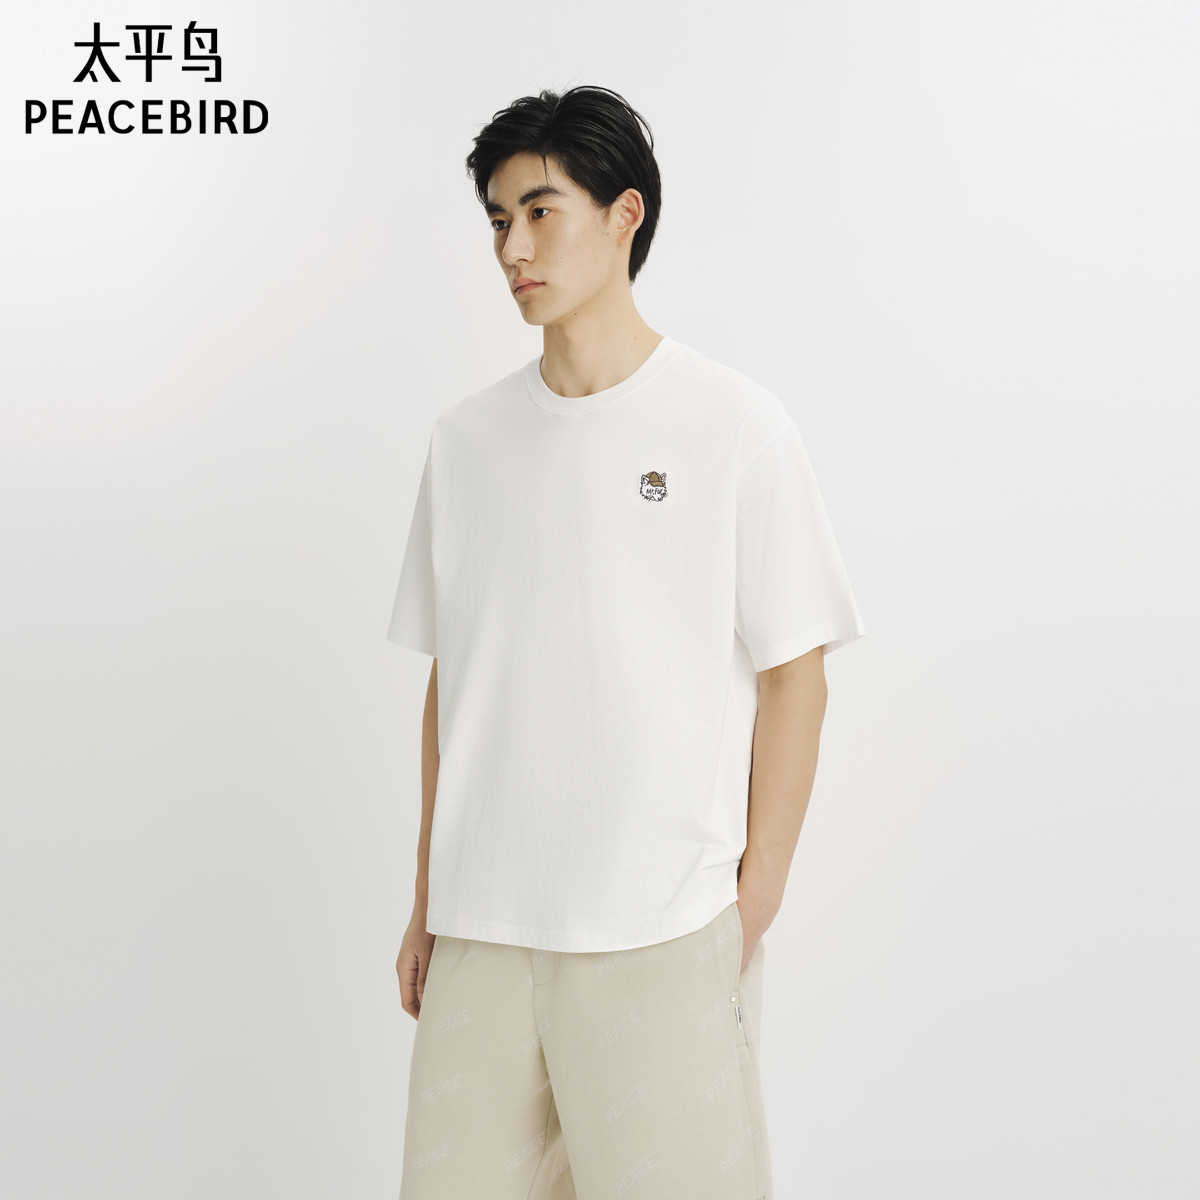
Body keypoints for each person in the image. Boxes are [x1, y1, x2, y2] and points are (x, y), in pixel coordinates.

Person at [385, 84, 866, 1200]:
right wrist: (426, 899)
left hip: (662, 929)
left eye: (539, 211)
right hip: (482, 933)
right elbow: (457, 679)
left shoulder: (735, 426)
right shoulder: (465, 443)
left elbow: (797, 674)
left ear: (624, 215)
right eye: (498, 220)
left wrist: (751, 904)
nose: (513, 248)